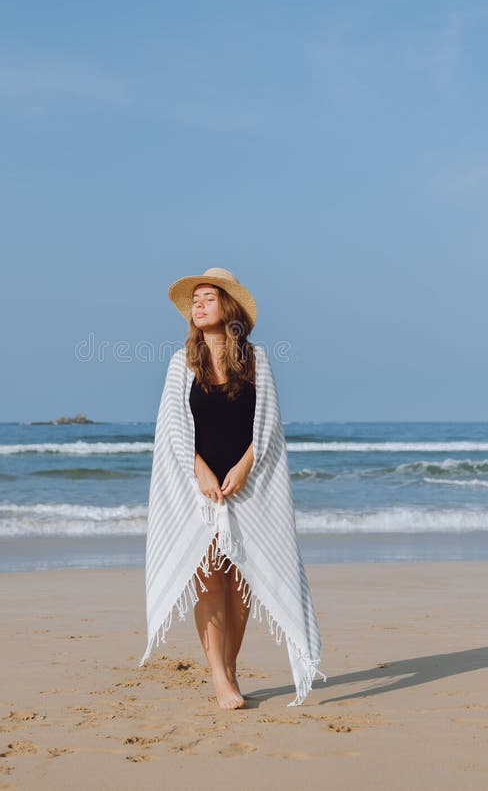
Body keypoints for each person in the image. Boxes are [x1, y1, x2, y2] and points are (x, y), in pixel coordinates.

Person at [140, 267, 325, 711]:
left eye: (208, 298)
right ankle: (220, 677)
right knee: (208, 576)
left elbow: (269, 427)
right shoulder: (181, 363)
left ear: (229, 307)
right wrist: (200, 471)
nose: (199, 305)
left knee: (242, 579)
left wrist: (244, 467)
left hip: (248, 483)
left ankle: (230, 667)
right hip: (197, 487)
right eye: (195, 300)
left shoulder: (257, 360)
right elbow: (171, 430)